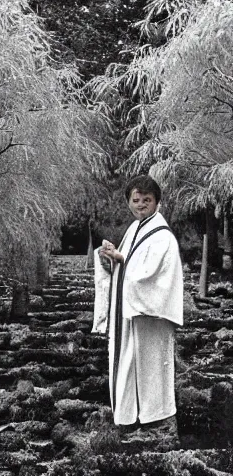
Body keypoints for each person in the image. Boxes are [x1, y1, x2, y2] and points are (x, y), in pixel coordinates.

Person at [92, 175, 183, 442]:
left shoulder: (162, 236)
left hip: (149, 315)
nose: (140, 204)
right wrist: (111, 257)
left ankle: (159, 424)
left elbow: (149, 275)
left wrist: (122, 260)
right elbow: (126, 265)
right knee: (130, 363)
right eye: (135, 200)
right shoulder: (135, 229)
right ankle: (130, 418)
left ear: (157, 202)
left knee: (151, 366)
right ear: (128, 202)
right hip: (131, 314)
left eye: (147, 200)